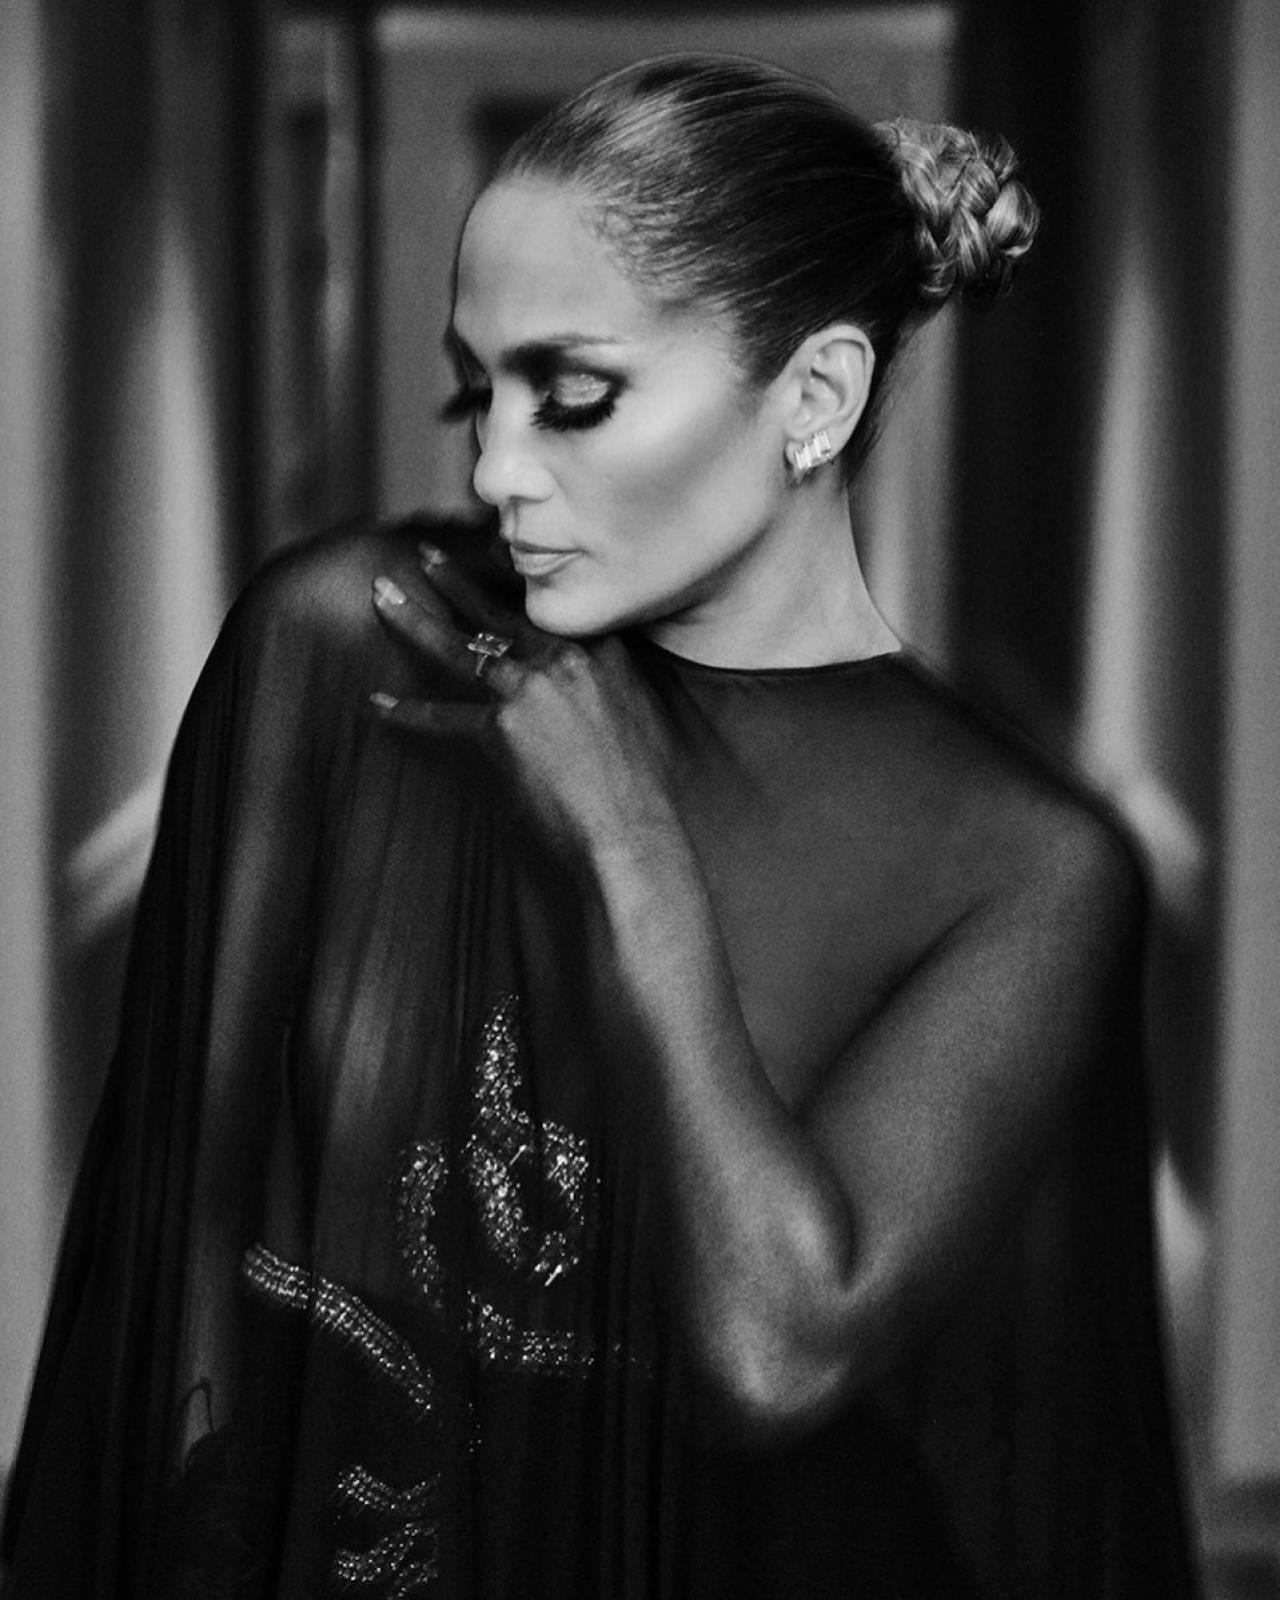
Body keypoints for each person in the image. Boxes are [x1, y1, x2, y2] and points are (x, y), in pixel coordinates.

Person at [3, 52, 1198, 1599]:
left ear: (817, 398)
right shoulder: (350, 645)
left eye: (573, 399)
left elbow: (779, 1348)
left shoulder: (1032, 867)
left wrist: (634, 852)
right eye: (477, 393)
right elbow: (182, 1255)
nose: (497, 469)